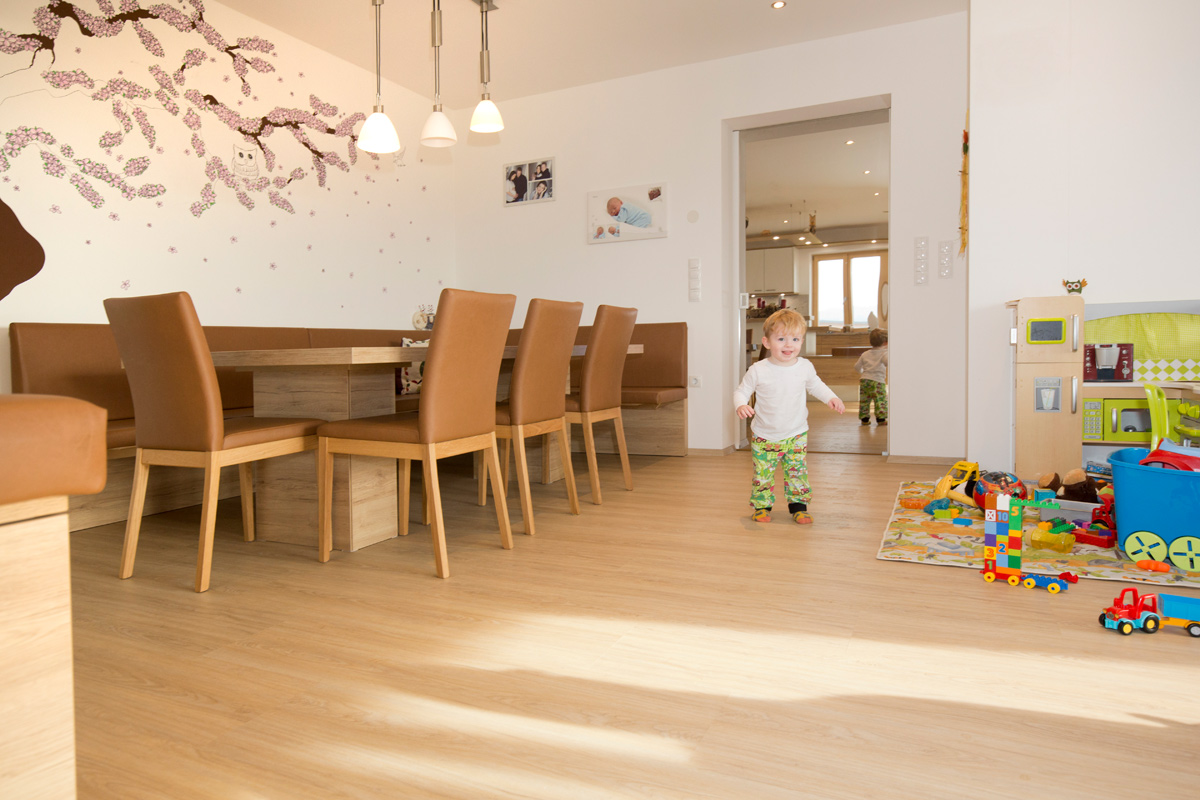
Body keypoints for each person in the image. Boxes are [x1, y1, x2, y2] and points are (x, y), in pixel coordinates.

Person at [734, 308, 845, 524]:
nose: (788, 345)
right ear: (767, 342)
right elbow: (741, 391)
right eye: (781, 339)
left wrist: (831, 397)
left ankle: (799, 507)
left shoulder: (804, 367)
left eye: (795, 339)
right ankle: (762, 507)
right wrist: (741, 404)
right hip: (764, 435)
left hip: (796, 433)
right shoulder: (758, 369)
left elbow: (816, 385)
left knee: (797, 472)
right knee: (763, 474)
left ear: (801, 341)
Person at [854, 328, 889, 426]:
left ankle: (864, 419)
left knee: (864, 400)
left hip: (864, 380)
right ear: (885, 342)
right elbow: (887, 363)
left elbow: (856, 367)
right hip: (878, 381)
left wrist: (863, 373)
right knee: (880, 400)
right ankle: (881, 419)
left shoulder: (865, 354)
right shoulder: (884, 353)